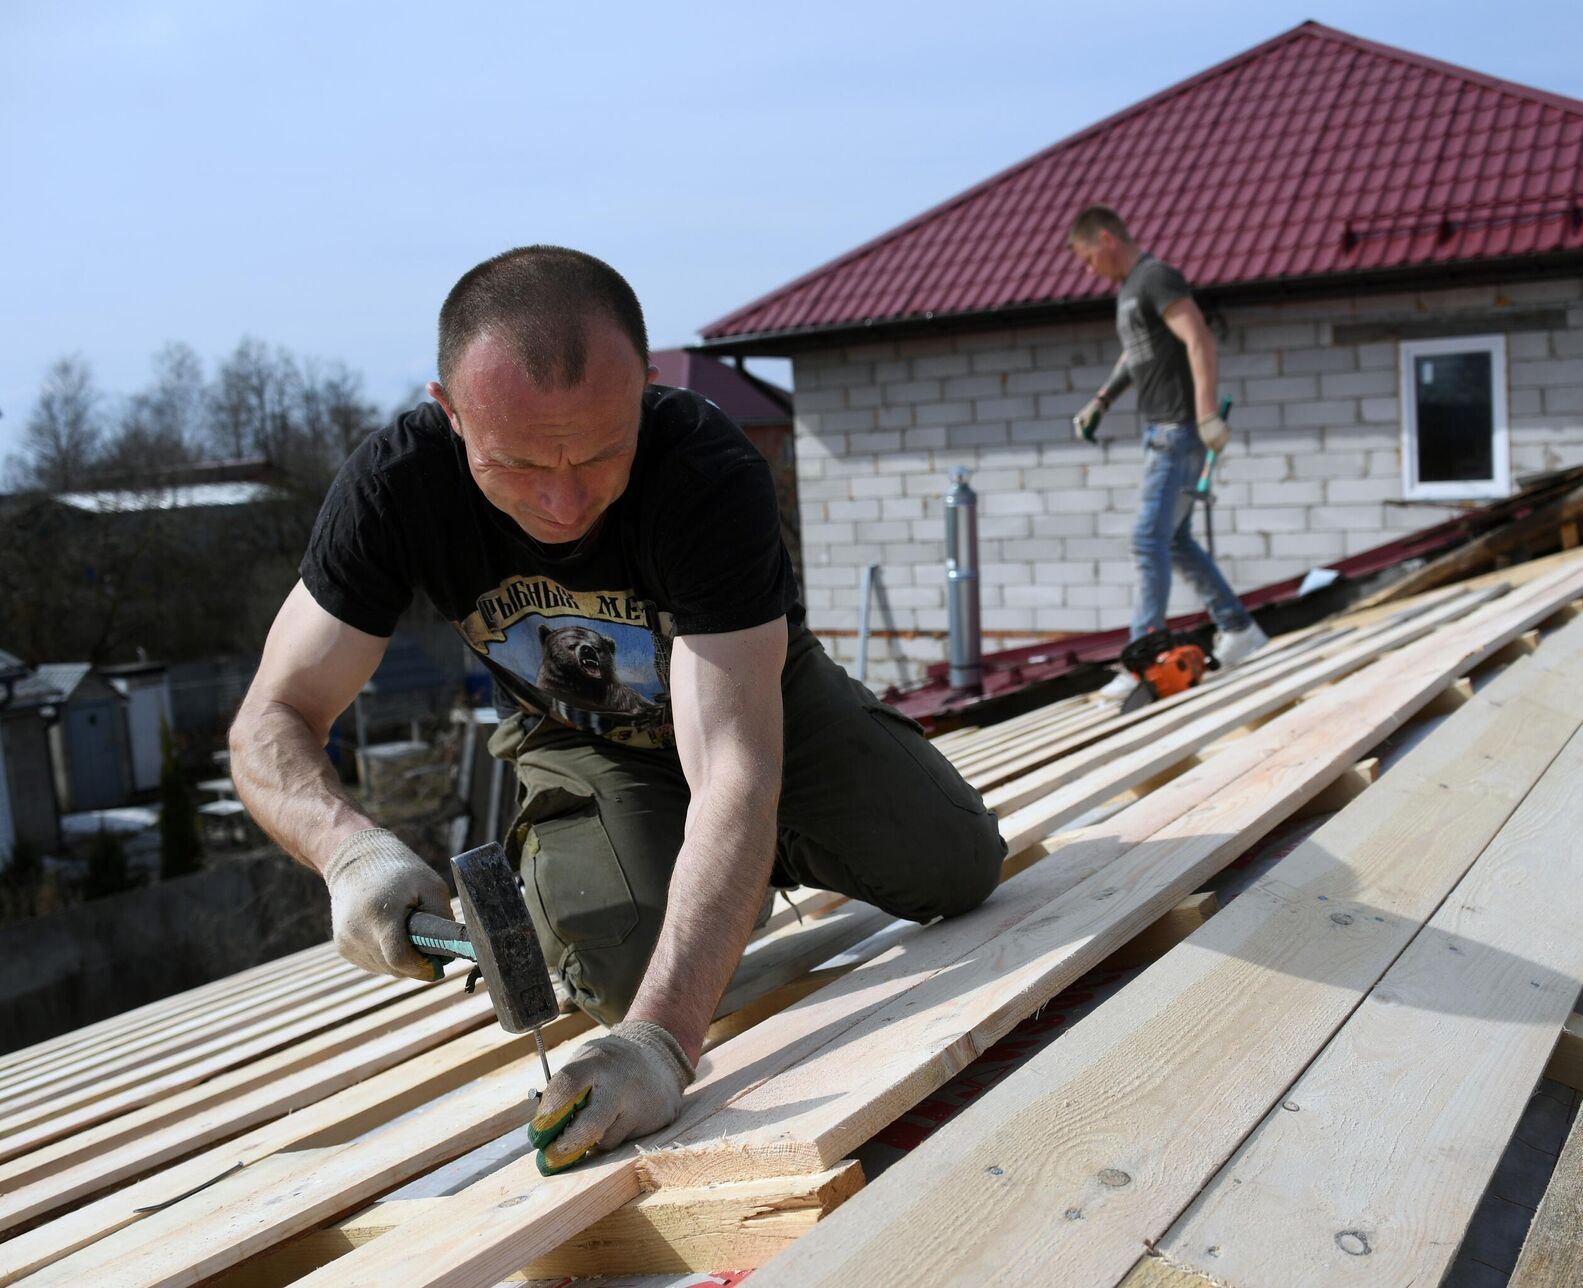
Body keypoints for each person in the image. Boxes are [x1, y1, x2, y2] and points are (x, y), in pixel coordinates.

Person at [229, 246, 1005, 1173]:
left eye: (601, 452)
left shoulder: (705, 471)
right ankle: (703, 867)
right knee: (622, 977)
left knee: (956, 866)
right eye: (516, 464)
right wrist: (346, 850)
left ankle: (751, 854)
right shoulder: (396, 488)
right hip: (579, 737)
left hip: (755, 708)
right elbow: (271, 718)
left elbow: (734, 767)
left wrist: (663, 1047)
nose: (563, 500)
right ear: (450, 414)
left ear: (643, 391)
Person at [1065, 205, 1267, 699]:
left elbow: (1198, 337)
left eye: (1089, 258)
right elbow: (1135, 354)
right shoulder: (1130, 291)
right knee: (1174, 540)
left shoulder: (1155, 277)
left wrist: (1203, 415)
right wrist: (1101, 400)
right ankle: (1240, 629)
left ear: (1108, 239)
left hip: (1178, 430)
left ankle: (1143, 660)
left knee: (1146, 541)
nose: (1089, 269)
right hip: (1162, 430)